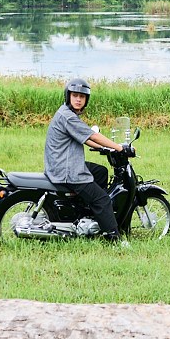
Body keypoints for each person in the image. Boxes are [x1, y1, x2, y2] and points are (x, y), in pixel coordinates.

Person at [45, 77, 125, 241]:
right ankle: (113, 238)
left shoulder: (66, 113)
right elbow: (92, 135)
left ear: (86, 99)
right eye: (75, 95)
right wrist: (119, 148)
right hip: (67, 171)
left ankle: (89, 212)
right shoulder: (68, 116)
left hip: (61, 164)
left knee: (101, 172)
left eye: (82, 97)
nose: (78, 99)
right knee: (103, 199)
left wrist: (103, 147)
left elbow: (85, 137)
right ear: (68, 96)